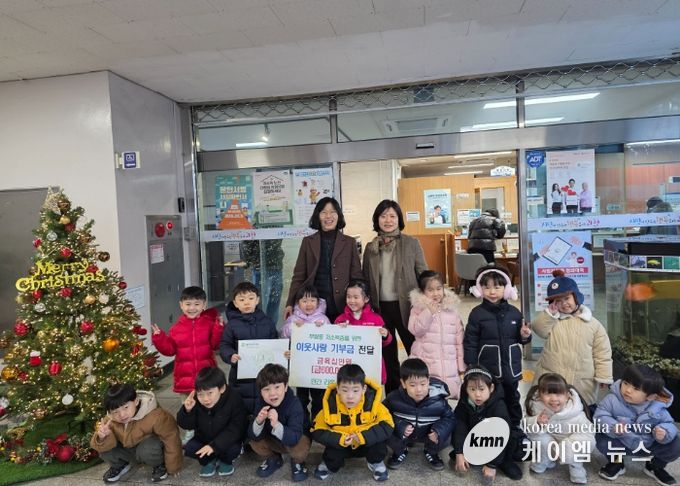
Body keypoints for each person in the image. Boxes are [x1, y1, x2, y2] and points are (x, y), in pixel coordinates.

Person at [363, 199, 427, 393]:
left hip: (408, 307)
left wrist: (430, 301)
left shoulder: (411, 243)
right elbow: (365, 279)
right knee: (388, 355)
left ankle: (419, 393)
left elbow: (423, 274)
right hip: (380, 309)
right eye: (383, 216)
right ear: (377, 220)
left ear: (399, 219)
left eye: (392, 216)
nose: (388, 220)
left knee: (414, 351)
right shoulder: (371, 248)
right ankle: (393, 396)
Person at [151, 286, 223, 444]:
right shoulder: (176, 328)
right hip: (185, 379)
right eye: (188, 304)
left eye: (197, 304)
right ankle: (191, 432)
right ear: (181, 305)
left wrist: (218, 329)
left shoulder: (209, 324)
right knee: (189, 407)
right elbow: (170, 350)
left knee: (210, 405)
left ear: (204, 305)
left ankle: (211, 432)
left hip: (206, 376)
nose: (192, 308)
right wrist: (159, 338)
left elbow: (215, 345)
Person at [463, 265, 530, 431]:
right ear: (480, 289)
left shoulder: (514, 313)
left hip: (511, 369)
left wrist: (524, 335)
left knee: (512, 398)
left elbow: (521, 340)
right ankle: (490, 429)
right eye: (487, 287)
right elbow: (470, 340)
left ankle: (515, 428)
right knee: (491, 400)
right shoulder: (477, 314)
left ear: (506, 289)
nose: (492, 292)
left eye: (497, 287)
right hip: (489, 369)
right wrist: (471, 365)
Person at [532, 269, 612, 406]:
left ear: (576, 297)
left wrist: (604, 376)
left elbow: (602, 353)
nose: (564, 304)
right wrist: (549, 314)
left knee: (581, 409)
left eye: (567, 298)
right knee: (551, 409)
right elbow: (538, 329)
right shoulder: (553, 321)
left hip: (582, 383)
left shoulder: (593, 325)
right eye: (558, 301)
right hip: (553, 380)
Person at [594, 364, 680, 484]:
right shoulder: (612, 400)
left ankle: (655, 466)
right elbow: (600, 416)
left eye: (636, 388)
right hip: (621, 441)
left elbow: (669, 423)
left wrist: (664, 432)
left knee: (676, 443)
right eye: (625, 383)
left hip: (648, 444)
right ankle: (616, 463)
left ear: (651, 396)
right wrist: (613, 426)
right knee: (602, 438)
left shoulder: (658, 407)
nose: (628, 390)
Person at [285, 197, 362, 323]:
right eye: (324, 212)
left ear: (338, 215)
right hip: (313, 306)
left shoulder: (349, 242)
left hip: (342, 305)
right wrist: (290, 303)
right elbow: (299, 276)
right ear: (318, 216)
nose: (328, 216)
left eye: (333, 212)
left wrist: (360, 303)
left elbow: (357, 277)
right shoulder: (308, 242)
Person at [311, 364, 394, 482]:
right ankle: (329, 464)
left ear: (363, 389)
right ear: (338, 389)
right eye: (345, 390)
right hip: (342, 445)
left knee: (378, 446)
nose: (350, 396)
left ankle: (376, 462)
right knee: (332, 453)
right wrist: (339, 439)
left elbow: (388, 425)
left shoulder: (374, 404)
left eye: (355, 390)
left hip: (365, 444)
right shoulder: (329, 406)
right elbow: (316, 430)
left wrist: (363, 436)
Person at [90, 383, 182, 483]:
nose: (122, 415)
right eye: (115, 412)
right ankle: (121, 465)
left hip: (150, 451)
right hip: (129, 451)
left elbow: (171, 439)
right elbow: (98, 445)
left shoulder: (157, 416)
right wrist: (102, 437)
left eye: (126, 407)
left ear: (136, 401)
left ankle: (159, 465)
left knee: (148, 448)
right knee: (103, 447)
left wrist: (173, 466)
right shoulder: (110, 420)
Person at [451, 366, 523, 481]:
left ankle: (503, 461)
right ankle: (470, 454)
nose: (477, 394)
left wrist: (492, 465)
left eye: (481, 389)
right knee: (456, 429)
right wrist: (459, 452)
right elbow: (460, 425)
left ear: (491, 388)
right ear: (465, 389)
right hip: (478, 438)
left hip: (498, 440)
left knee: (512, 441)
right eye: (472, 389)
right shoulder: (465, 402)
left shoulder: (498, 406)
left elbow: (501, 436)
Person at [383, 358, 455, 471]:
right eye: (413, 385)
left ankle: (431, 452)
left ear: (428, 381)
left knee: (447, 435)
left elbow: (450, 418)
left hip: (428, 435)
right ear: (403, 383)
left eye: (423, 384)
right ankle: (400, 451)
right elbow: (382, 414)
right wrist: (400, 426)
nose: (419, 390)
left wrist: (439, 431)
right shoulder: (393, 399)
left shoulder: (439, 401)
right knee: (385, 430)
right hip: (403, 435)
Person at [219, 281, 280, 414]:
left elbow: (275, 344)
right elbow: (224, 344)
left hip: (264, 375)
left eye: (251, 298)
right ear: (235, 303)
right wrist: (230, 355)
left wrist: (282, 354)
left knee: (264, 406)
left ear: (257, 300)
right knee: (240, 407)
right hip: (240, 376)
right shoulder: (231, 325)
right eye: (242, 300)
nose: (246, 303)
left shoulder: (267, 322)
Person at [524, 372, 594, 484]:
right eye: (547, 394)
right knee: (540, 438)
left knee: (577, 445)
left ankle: (576, 467)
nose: (553, 399)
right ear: (540, 395)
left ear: (567, 396)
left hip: (569, 443)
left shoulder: (575, 411)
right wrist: (536, 421)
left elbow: (588, 433)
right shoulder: (536, 406)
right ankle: (545, 459)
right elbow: (525, 425)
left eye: (559, 394)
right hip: (550, 442)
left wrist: (566, 447)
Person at [176, 367, 246, 478]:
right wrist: (187, 411)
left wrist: (214, 446)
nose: (205, 399)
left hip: (227, 440)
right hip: (205, 438)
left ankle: (225, 461)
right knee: (190, 448)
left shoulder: (234, 398)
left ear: (222, 388)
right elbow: (186, 425)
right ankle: (210, 461)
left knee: (233, 449)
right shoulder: (195, 400)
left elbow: (236, 428)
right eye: (200, 394)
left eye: (210, 393)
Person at [249, 363, 311, 482]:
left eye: (277, 387)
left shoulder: (294, 404)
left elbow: (294, 437)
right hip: (274, 439)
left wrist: (277, 424)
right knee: (254, 441)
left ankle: (297, 462)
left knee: (300, 450)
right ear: (260, 392)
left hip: (296, 438)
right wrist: (258, 422)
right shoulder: (260, 403)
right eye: (266, 389)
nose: (272, 393)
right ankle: (274, 459)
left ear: (286, 387)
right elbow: (252, 435)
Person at [407, 270, 465, 398]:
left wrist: (461, 366)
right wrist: (428, 312)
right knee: (429, 396)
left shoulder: (451, 310)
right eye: (430, 290)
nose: (436, 293)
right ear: (422, 291)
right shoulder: (418, 309)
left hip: (449, 365)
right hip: (427, 362)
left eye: (439, 289)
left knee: (448, 394)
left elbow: (459, 340)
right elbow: (415, 330)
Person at [281, 284, 331, 424]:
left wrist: (323, 329)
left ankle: (317, 423)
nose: (309, 304)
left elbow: (331, 340)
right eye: (304, 301)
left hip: (318, 368)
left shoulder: (323, 319)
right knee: (301, 397)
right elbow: (283, 335)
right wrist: (293, 327)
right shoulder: (293, 319)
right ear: (298, 303)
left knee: (319, 397)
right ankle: (302, 424)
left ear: (318, 302)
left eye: (312, 300)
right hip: (300, 368)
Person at [334, 279, 392, 385]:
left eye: (356, 297)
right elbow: (334, 343)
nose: (352, 301)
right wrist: (338, 331)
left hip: (371, 369)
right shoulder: (340, 319)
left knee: (371, 393)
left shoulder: (376, 319)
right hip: (349, 372)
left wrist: (386, 335)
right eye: (348, 297)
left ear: (366, 299)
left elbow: (385, 343)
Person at [242, 239, 284, 324]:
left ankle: (270, 327)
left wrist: (249, 261)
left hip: (274, 265)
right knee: (260, 300)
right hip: (261, 265)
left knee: (274, 299)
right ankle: (260, 327)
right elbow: (247, 242)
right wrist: (249, 261)